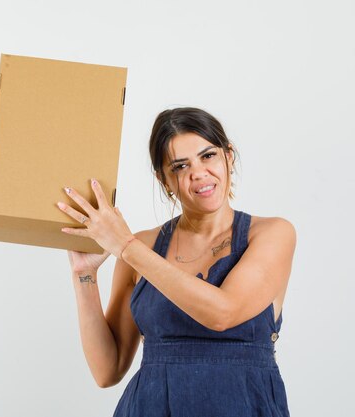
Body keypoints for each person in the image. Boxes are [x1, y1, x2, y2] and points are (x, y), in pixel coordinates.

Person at [56, 107, 296, 416]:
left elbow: (223, 313)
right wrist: (84, 274)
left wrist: (125, 246)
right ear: (164, 179)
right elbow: (107, 370)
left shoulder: (272, 234)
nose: (198, 173)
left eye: (208, 156)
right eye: (181, 166)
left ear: (229, 156)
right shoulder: (142, 246)